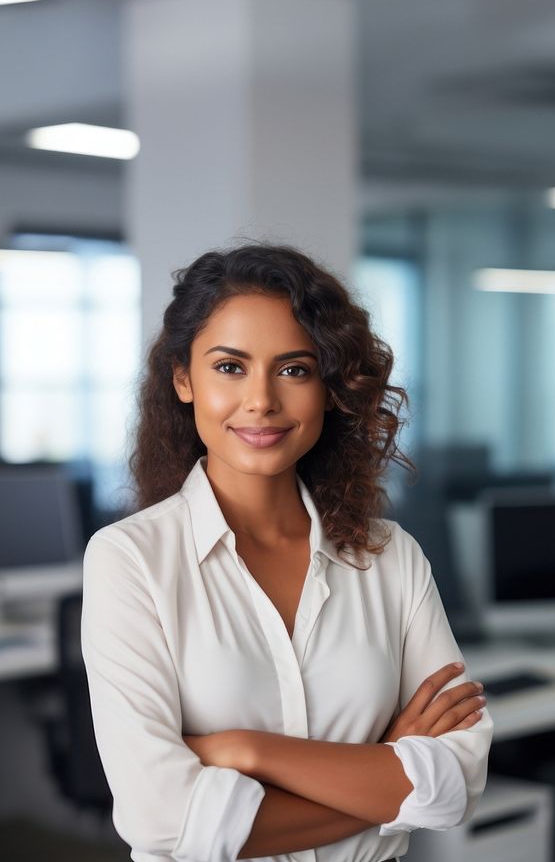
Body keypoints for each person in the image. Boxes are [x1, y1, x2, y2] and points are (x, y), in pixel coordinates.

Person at [81, 243, 493, 862]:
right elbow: (160, 818)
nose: (262, 400)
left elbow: (454, 782)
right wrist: (383, 774)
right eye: (229, 367)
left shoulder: (391, 559)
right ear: (183, 378)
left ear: (329, 388)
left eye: (295, 369)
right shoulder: (129, 561)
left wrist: (249, 750)